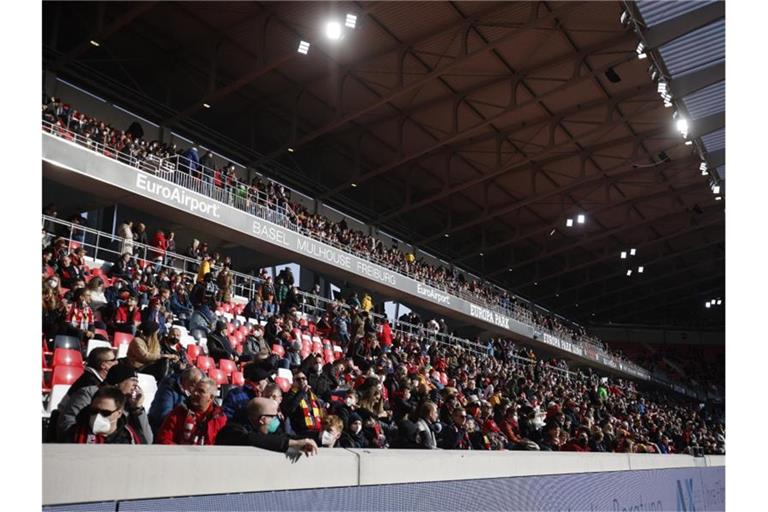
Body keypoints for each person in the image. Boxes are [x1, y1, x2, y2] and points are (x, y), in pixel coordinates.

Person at [54, 347, 118, 441]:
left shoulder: (92, 380)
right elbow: (71, 418)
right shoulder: (89, 385)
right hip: (71, 433)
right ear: (104, 365)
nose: (117, 362)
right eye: (113, 360)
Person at [216, 397, 318, 456]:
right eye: (274, 417)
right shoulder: (232, 430)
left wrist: (316, 438)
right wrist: (294, 443)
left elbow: (285, 437)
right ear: (262, 419)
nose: (277, 419)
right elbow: (250, 439)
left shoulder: (264, 430)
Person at [156, 378, 227, 445]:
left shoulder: (219, 418)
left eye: (201, 391)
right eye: (195, 390)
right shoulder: (178, 413)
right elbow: (163, 439)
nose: (195, 393)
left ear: (211, 397)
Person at [68, 386, 145, 444]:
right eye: (94, 411)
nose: (97, 416)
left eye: (105, 413)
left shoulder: (131, 438)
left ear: (119, 413)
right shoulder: (74, 434)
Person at [148, 367, 204, 435]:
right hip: (160, 430)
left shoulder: (188, 391)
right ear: (187, 382)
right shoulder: (168, 389)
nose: (196, 392)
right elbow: (164, 416)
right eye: (194, 386)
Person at [281, 370, 324, 439]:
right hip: (301, 431)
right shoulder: (289, 395)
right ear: (293, 382)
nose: (301, 381)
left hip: (315, 427)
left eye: (303, 378)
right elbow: (289, 410)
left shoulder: (311, 394)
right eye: (298, 379)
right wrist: (301, 393)